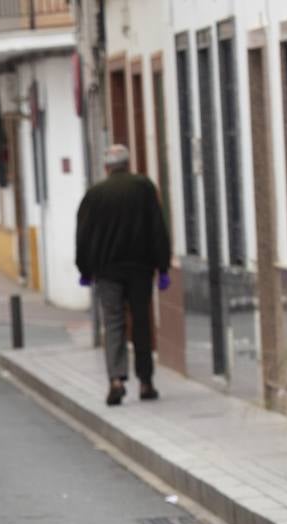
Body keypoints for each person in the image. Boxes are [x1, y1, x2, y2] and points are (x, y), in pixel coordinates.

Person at [75, 144, 172, 406]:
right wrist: (162, 268)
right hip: (140, 268)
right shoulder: (144, 188)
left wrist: (84, 270)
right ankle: (145, 382)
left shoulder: (94, 195)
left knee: (114, 322)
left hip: (107, 271)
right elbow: (157, 229)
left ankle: (116, 379)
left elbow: (83, 236)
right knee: (142, 322)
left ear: (107, 168)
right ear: (128, 164)